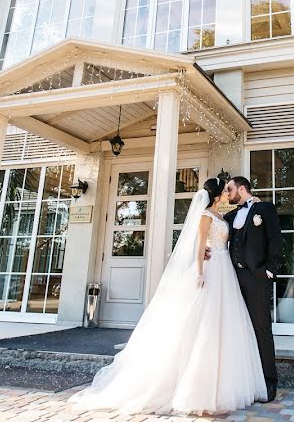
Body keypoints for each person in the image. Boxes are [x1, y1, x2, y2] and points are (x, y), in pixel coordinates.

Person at [70, 177, 266, 416]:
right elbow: (199, 244)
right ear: (216, 195)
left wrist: (253, 202)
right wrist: (199, 272)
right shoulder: (205, 217)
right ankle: (198, 389)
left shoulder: (223, 217)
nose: (228, 193)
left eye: (229, 190)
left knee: (224, 325)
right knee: (205, 324)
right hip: (212, 269)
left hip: (226, 271)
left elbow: (235, 227)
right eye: (225, 191)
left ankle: (223, 385)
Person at [222, 176, 282, 402]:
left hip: (256, 277)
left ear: (241, 188)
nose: (228, 193)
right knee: (237, 329)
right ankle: (244, 381)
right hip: (232, 277)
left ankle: (269, 382)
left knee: (261, 328)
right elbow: (212, 228)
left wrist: (269, 269)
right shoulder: (231, 214)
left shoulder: (264, 209)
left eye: (229, 189)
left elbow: (275, 239)